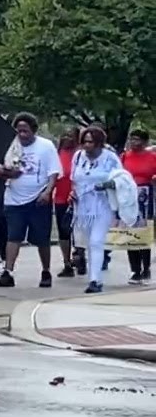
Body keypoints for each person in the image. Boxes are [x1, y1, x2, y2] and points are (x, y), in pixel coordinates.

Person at [0, 113, 60, 289]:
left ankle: (46, 271)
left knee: (42, 238)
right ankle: (8, 271)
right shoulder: (11, 146)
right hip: (14, 198)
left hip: (38, 198)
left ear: (34, 131)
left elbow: (53, 173)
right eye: (19, 131)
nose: (22, 134)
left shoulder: (46, 147)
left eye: (25, 131)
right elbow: (3, 167)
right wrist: (5, 172)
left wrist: (48, 192)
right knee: (13, 236)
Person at [70, 126, 123, 294]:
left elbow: (122, 181)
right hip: (83, 207)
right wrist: (73, 193)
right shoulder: (78, 157)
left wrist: (105, 185)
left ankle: (94, 280)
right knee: (89, 243)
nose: (87, 145)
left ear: (99, 143)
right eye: (84, 142)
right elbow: (74, 179)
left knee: (96, 241)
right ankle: (95, 276)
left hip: (103, 205)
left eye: (91, 142)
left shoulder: (110, 158)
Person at [121, 128, 156, 285]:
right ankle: (135, 269)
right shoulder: (125, 157)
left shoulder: (152, 157)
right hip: (128, 198)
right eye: (132, 139)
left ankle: (145, 267)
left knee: (143, 233)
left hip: (147, 197)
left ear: (145, 142)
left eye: (138, 139)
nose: (134, 142)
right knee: (130, 232)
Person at [53, 130, 80, 278]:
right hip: (60, 198)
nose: (67, 138)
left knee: (79, 231)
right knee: (64, 231)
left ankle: (80, 256)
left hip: (78, 198)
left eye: (71, 136)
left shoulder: (80, 154)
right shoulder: (57, 153)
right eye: (64, 135)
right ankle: (66, 263)